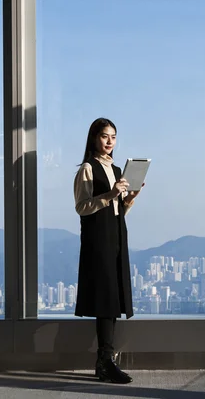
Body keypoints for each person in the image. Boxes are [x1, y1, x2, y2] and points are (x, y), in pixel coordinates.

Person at [73, 117, 144, 384]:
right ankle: (105, 362)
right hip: (98, 240)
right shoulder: (87, 169)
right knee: (105, 299)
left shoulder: (117, 170)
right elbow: (82, 207)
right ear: (94, 138)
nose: (110, 141)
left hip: (116, 236)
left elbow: (117, 211)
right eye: (105, 136)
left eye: (113, 136)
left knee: (113, 300)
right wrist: (112, 195)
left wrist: (128, 200)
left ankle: (105, 361)